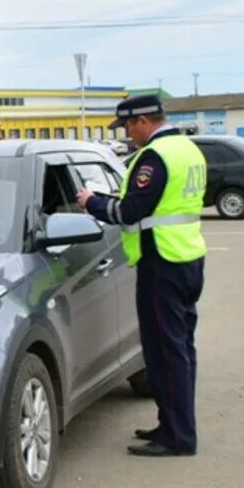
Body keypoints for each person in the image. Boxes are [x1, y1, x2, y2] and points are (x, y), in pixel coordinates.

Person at [74, 94, 208, 458]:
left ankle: (178, 436)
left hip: (161, 261)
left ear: (143, 122)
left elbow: (131, 211)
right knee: (180, 349)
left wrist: (92, 202)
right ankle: (173, 425)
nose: (128, 135)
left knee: (166, 351)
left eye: (128, 127)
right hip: (187, 256)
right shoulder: (187, 149)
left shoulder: (155, 157)